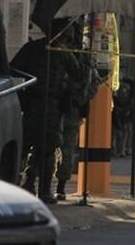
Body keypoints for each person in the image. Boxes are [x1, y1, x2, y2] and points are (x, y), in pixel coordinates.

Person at [11, 24, 73, 203]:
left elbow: (12, 67)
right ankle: (39, 188)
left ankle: (30, 185)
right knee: (44, 147)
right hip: (43, 103)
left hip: (39, 102)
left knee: (34, 146)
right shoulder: (62, 53)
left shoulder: (33, 48)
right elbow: (78, 74)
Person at [55, 19, 99, 201]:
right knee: (48, 145)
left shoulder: (82, 57)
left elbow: (93, 81)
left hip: (70, 105)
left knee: (67, 146)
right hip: (53, 103)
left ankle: (60, 185)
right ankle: (35, 181)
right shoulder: (57, 52)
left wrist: (80, 98)